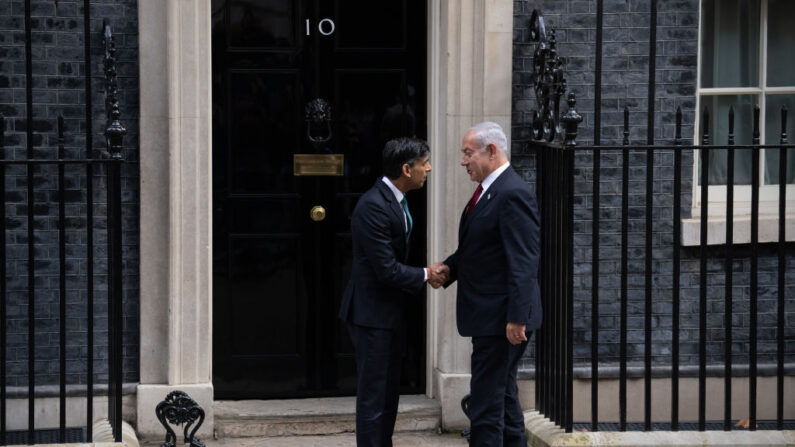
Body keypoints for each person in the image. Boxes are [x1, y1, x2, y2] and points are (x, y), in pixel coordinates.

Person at [339, 137, 448, 447]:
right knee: (374, 396)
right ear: (406, 169)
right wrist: (427, 274)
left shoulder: (397, 199)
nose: (428, 168)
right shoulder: (373, 206)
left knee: (388, 394)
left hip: (388, 313)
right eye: (424, 163)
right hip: (371, 315)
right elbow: (386, 269)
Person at [441, 122, 542, 446]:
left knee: (485, 404)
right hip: (492, 315)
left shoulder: (512, 193)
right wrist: (447, 269)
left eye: (468, 153)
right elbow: (478, 249)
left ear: (492, 151)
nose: (463, 161)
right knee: (505, 394)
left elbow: (523, 261)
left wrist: (517, 317)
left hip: (501, 319)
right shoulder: (489, 190)